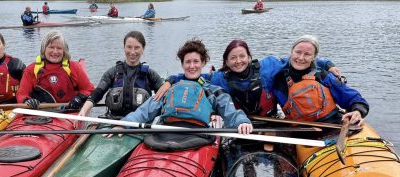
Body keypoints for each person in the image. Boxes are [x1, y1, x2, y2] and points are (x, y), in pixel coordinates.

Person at [160, 39, 340, 118]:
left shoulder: (267, 66)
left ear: (249, 56)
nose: (238, 61)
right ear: (227, 62)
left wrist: (327, 64)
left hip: (271, 122)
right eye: (233, 58)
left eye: (242, 56)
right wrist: (171, 80)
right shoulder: (220, 78)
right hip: (240, 124)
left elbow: (298, 60)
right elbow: (196, 76)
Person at [112, 39, 253, 137]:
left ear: (203, 62)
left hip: (199, 137)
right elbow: (144, 112)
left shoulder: (213, 91)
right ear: (182, 64)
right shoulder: (170, 88)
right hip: (165, 135)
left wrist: (242, 122)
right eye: (188, 62)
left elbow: (231, 113)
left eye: (196, 61)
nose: (192, 66)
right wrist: (123, 125)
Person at [271, 35, 369, 125]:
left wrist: (358, 111)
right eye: (298, 52)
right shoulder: (278, 78)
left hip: (330, 124)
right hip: (298, 129)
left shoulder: (323, 76)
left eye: (307, 54)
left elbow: (354, 99)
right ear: (291, 52)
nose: (301, 58)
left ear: (313, 57)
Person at [78, 31, 164, 119]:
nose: (132, 52)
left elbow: (164, 97)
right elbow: (97, 93)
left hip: (140, 123)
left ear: (143, 49)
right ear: (124, 48)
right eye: (129, 47)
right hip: (114, 120)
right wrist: (84, 110)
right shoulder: (112, 72)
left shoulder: (151, 75)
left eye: (137, 48)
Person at [16, 31, 94, 110]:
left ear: (64, 51)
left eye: (59, 48)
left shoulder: (74, 67)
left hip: (69, 111)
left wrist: (79, 98)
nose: (55, 52)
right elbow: (22, 94)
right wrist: (27, 101)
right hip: (41, 114)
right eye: (51, 47)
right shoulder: (31, 70)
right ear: (44, 48)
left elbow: (89, 89)